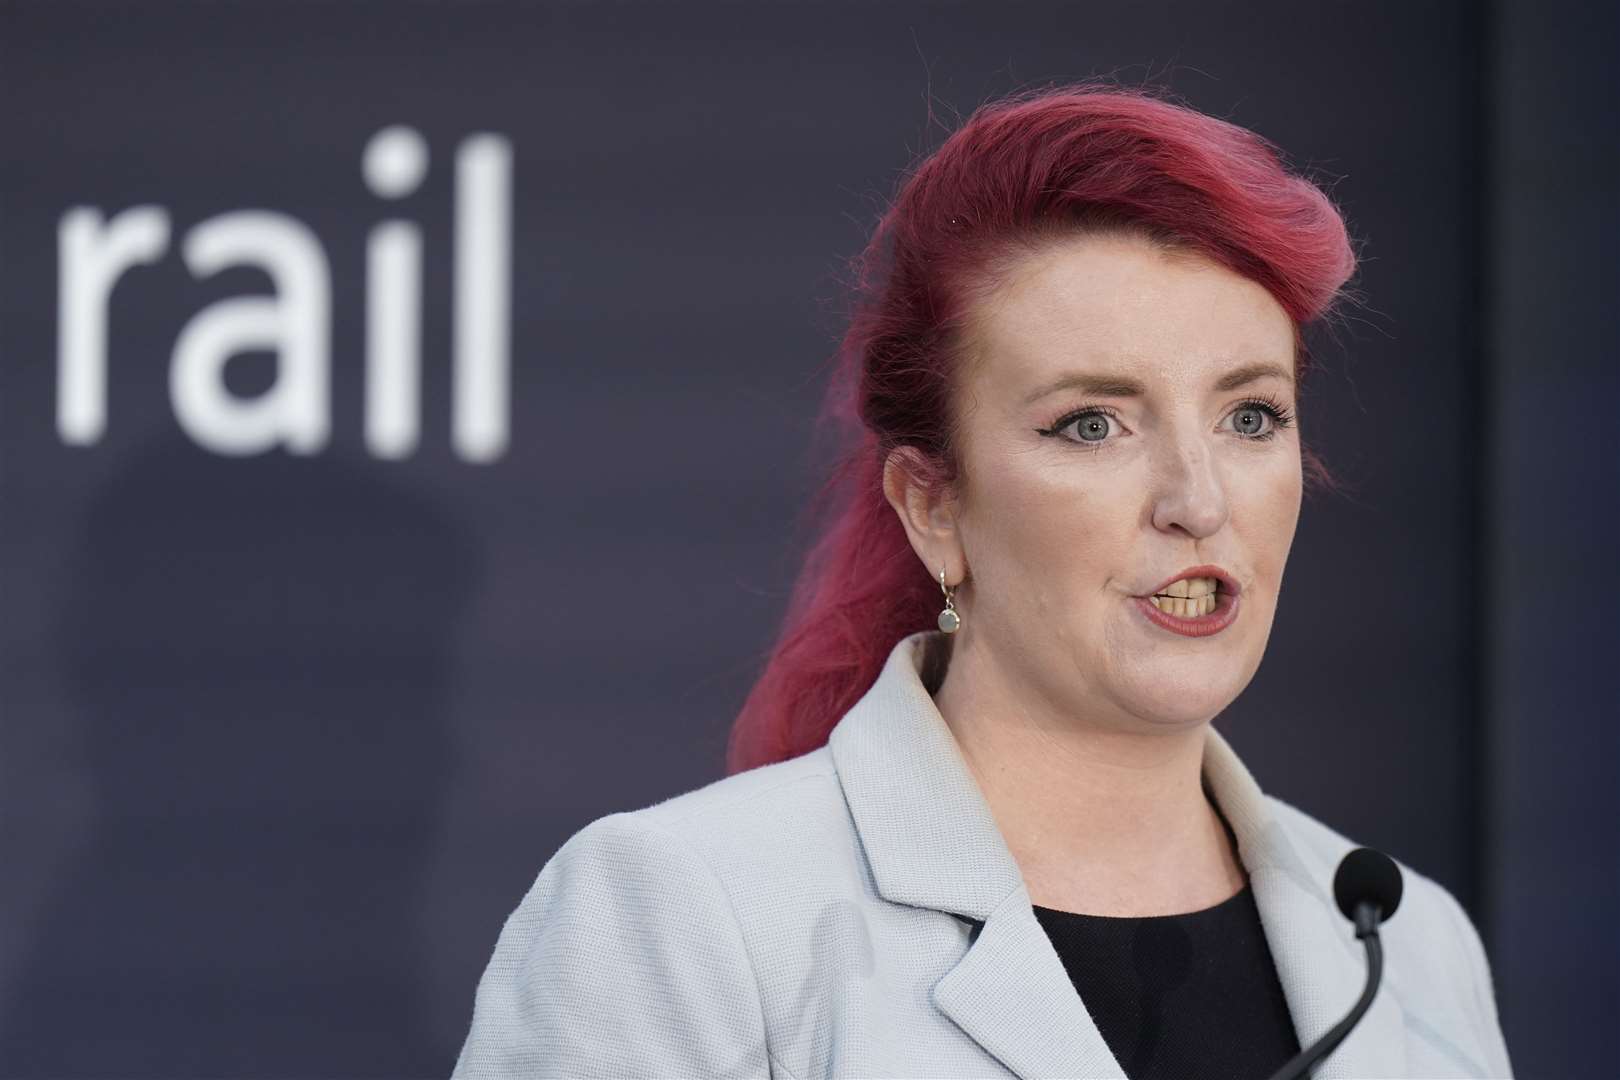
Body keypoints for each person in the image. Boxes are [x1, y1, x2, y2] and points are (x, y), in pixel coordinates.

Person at [451, 82, 1514, 1079]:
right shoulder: (683, 917)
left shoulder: (1412, 947)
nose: (1198, 498)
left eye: (1250, 417)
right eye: (1091, 424)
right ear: (933, 505)